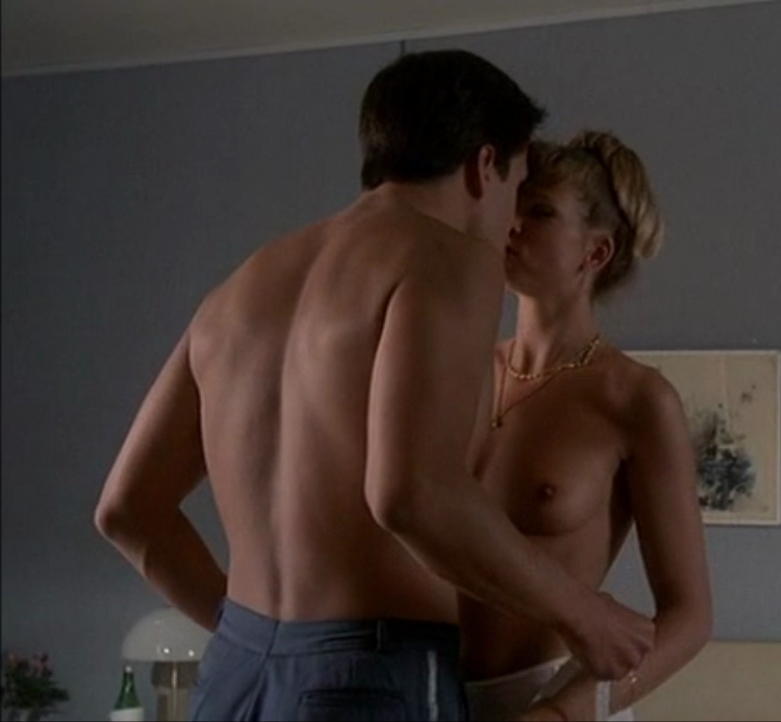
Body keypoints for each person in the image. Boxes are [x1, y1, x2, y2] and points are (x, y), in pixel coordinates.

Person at [92, 50, 654, 722]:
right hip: (370, 675)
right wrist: (583, 613)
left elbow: (127, 511)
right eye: (517, 185)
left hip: (235, 674)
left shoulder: (243, 285)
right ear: (484, 166)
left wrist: (260, 645)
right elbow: (412, 493)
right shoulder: (448, 258)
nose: (511, 223)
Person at [459, 131, 713, 722]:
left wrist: (560, 713)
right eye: (513, 205)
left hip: (551, 699)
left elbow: (690, 616)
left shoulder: (635, 398)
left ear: (595, 253)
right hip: (433, 693)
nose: (512, 224)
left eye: (540, 211)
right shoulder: (463, 371)